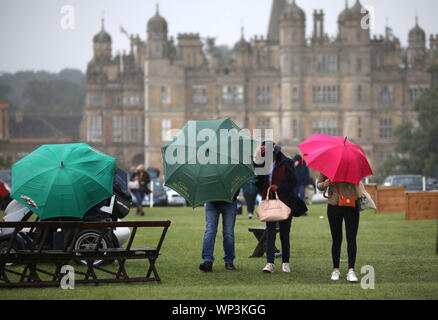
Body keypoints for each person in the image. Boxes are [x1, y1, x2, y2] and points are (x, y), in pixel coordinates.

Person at [254, 142, 298, 273]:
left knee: (284, 233)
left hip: (285, 202)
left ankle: (285, 262)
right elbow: (257, 177)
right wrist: (257, 158)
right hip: (269, 202)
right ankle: (270, 262)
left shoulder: (287, 163)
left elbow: (293, 183)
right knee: (270, 232)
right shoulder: (263, 165)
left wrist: (279, 187)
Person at [317, 173, 360, 282]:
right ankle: (335, 269)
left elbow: (358, 181)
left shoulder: (352, 165)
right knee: (336, 239)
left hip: (351, 203)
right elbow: (319, 185)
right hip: (334, 205)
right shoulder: (328, 165)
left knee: (351, 238)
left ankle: (351, 270)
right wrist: (324, 184)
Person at [199, 192, 239, 272]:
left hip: (230, 201)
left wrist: (233, 194)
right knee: (210, 231)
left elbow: (237, 186)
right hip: (212, 201)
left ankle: (229, 261)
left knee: (228, 233)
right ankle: (207, 261)